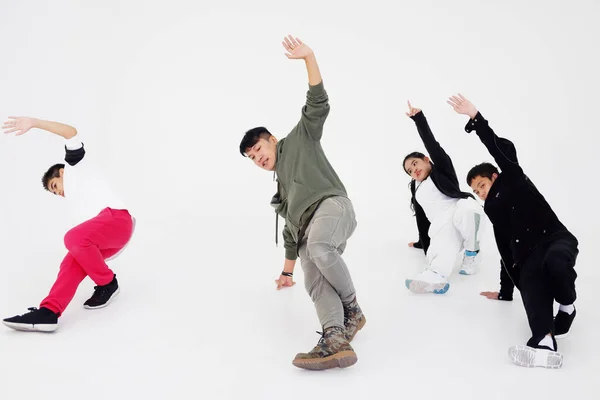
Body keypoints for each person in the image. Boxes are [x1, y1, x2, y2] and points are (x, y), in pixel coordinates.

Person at [239, 35, 365, 370]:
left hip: (333, 207)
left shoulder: (300, 139)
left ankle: (353, 309)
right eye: (252, 158)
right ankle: (335, 338)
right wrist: (285, 273)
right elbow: (292, 237)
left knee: (321, 247)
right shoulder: (281, 195)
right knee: (314, 281)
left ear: (272, 140)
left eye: (259, 150)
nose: (258, 158)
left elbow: (318, 103)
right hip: (309, 230)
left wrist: (310, 58)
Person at [448, 93, 578, 369]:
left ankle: (567, 306)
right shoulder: (492, 210)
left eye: (482, 186)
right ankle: (544, 344)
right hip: (527, 256)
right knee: (532, 290)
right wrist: (506, 291)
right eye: (476, 192)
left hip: (555, 239)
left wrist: (476, 118)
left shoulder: (513, 177)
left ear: (494, 176)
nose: (480, 194)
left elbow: (498, 149)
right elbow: (504, 246)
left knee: (555, 262)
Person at [1, 116, 135, 332]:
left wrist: (34, 123)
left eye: (55, 185)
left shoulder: (75, 167)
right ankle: (49, 312)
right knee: (69, 263)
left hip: (118, 220)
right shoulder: (79, 209)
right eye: (55, 193)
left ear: (61, 172)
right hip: (105, 239)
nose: (59, 192)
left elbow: (71, 132)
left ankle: (108, 282)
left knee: (72, 238)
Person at [403, 101, 484, 294]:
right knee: (440, 251)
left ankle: (472, 253)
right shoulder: (417, 188)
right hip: (441, 224)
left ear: (426, 159)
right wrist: (422, 242)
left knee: (469, 210)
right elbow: (421, 217)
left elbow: (431, 144)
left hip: (458, 209)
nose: (414, 170)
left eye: (415, 164)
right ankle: (436, 279)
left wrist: (419, 119)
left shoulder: (442, 168)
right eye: (409, 170)